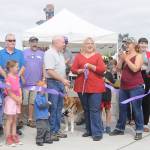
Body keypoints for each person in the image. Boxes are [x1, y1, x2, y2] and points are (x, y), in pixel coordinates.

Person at [71, 37, 106, 141]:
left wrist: (91, 66)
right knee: (86, 109)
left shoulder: (98, 56)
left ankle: (97, 132)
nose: (89, 45)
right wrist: (79, 71)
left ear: (93, 45)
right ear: (84, 45)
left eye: (91, 43)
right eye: (87, 43)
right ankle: (89, 130)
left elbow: (102, 70)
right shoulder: (78, 56)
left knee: (94, 109)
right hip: (82, 87)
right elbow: (73, 69)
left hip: (96, 87)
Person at [110, 38, 144, 140]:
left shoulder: (139, 56)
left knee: (136, 109)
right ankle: (120, 128)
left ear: (134, 45)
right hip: (124, 87)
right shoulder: (125, 56)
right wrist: (121, 59)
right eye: (125, 43)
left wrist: (126, 59)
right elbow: (117, 70)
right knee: (122, 108)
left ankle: (139, 130)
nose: (126, 45)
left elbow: (135, 68)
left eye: (128, 43)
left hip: (136, 86)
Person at [44, 36, 70, 141]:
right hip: (53, 83)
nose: (64, 44)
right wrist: (63, 81)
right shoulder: (49, 53)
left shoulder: (60, 53)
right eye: (63, 42)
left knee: (59, 108)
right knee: (53, 107)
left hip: (59, 83)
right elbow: (50, 71)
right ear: (56, 42)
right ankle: (52, 132)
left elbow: (61, 70)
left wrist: (64, 83)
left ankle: (57, 130)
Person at [0, 33, 25, 135]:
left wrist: (16, 77)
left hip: (16, 84)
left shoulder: (20, 53)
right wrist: (7, 78)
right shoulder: (1, 53)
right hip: (3, 84)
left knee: (16, 105)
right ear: (6, 42)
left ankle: (13, 129)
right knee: (4, 106)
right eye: (10, 40)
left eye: (14, 40)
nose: (12, 42)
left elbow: (23, 66)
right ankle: (4, 127)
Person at [23, 36, 45, 128]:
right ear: (29, 43)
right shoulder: (24, 52)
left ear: (37, 43)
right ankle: (21, 119)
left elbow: (44, 66)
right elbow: (21, 65)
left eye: (35, 41)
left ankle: (30, 119)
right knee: (23, 102)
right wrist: (21, 77)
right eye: (32, 42)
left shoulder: (42, 53)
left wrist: (44, 78)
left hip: (37, 83)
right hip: (25, 82)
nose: (34, 43)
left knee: (32, 102)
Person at [4, 60, 22, 146]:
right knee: (9, 120)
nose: (18, 68)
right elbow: (9, 91)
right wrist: (16, 99)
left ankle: (14, 135)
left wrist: (20, 97)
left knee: (15, 119)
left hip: (17, 100)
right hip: (11, 100)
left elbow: (19, 88)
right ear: (11, 68)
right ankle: (8, 137)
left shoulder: (17, 77)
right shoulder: (8, 78)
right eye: (17, 67)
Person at [34, 81, 53, 146]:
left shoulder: (44, 97)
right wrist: (47, 103)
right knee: (41, 129)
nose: (45, 91)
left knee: (47, 128)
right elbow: (41, 106)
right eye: (44, 89)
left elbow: (45, 107)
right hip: (40, 117)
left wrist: (48, 112)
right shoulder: (38, 97)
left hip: (45, 116)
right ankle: (39, 140)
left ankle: (46, 139)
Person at [138, 38, 150, 132]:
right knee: (137, 101)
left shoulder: (149, 54)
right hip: (136, 79)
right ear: (138, 44)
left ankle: (145, 123)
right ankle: (137, 121)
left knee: (146, 102)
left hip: (147, 79)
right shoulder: (135, 54)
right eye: (142, 43)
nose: (143, 45)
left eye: (145, 43)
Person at [101, 60, 115, 134]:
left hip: (107, 95)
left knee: (107, 110)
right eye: (102, 64)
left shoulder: (109, 74)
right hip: (99, 95)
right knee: (99, 111)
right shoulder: (98, 73)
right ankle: (100, 125)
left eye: (105, 64)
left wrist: (107, 81)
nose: (104, 66)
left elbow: (114, 84)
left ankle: (108, 126)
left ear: (106, 66)